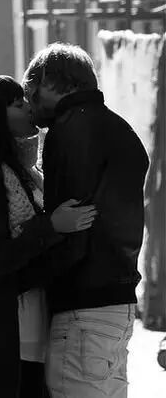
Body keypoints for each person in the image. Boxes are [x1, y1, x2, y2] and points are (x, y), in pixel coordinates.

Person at [0, 76, 98, 398]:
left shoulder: (28, 172)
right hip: (3, 333)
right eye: (18, 105)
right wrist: (51, 226)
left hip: (38, 324)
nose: (29, 108)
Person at [23, 43, 149, 398]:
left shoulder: (68, 130)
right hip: (118, 302)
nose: (30, 102)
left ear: (51, 82)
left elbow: (73, 227)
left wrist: (31, 272)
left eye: (32, 89)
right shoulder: (119, 128)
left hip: (83, 306)